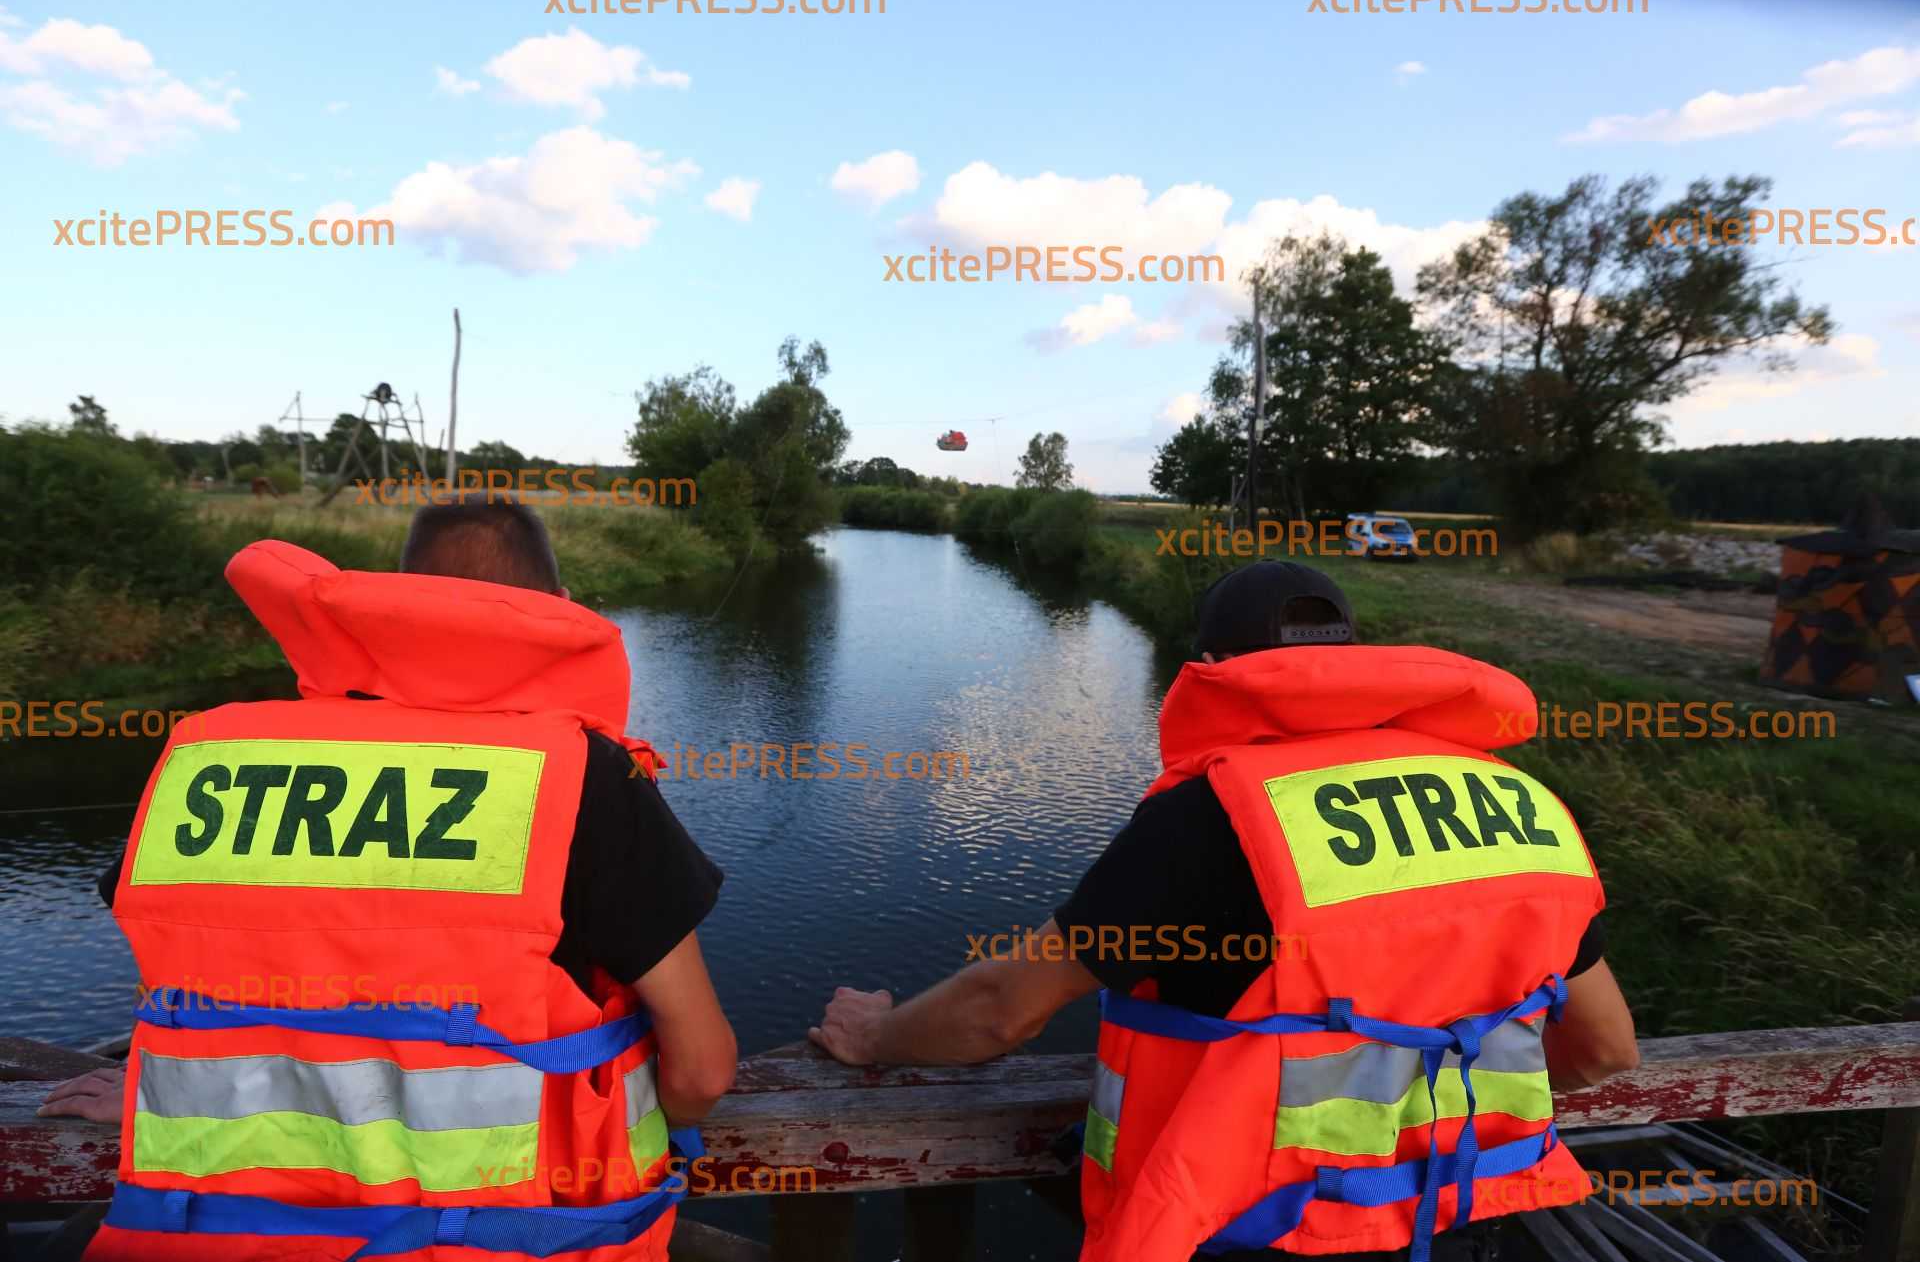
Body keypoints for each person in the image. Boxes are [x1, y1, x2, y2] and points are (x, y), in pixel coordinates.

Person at [812, 560, 1639, 1262]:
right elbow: (1604, 1047)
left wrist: (876, 1035)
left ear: (1209, 666)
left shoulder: (1215, 813)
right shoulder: (1516, 802)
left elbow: (1002, 1011)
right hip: (1461, 1217)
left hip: (1257, 1225)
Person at [40, 494, 736, 1262]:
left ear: (397, 605)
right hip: (513, 1241)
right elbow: (702, 1067)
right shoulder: (582, 777)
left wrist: (153, 1095)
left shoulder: (217, 758)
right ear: (559, 610)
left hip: (225, 1237)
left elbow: (213, 977)